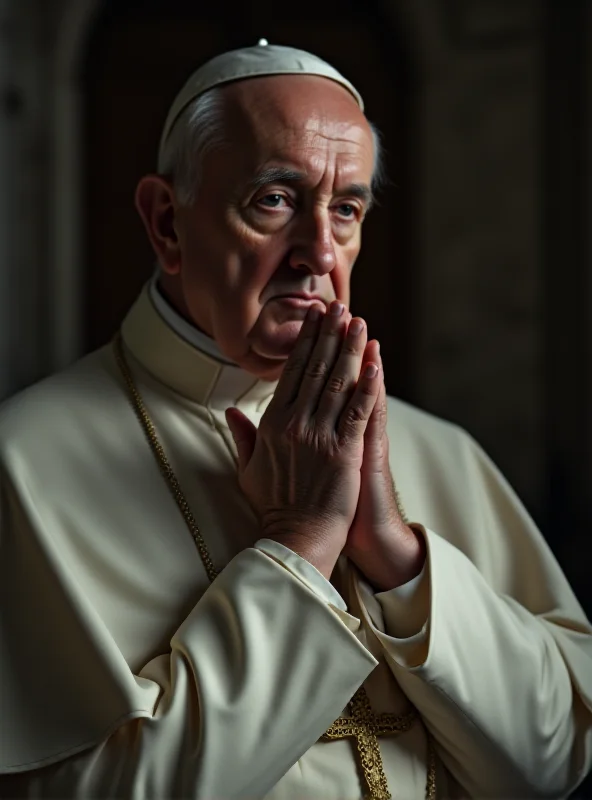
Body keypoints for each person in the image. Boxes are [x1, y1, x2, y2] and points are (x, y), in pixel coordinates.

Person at [0, 41, 591, 800]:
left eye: (346, 208)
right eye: (273, 200)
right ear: (167, 226)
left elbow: (551, 766)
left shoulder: (443, 451)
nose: (317, 252)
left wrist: (396, 555)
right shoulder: (23, 462)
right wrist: (303, 543)